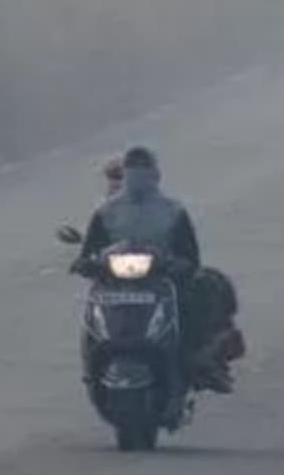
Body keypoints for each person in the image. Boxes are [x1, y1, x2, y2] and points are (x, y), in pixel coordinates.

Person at [77, 146, 240, 393]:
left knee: (202, 294)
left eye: (143, 170)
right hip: (118, 282)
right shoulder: (107, 212)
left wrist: (177, 265)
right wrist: (87, 264)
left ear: (155, 175)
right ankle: (92, 365)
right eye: (133, 171)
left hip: (161, 277)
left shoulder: (172, 211)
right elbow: (89, 251)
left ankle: (202, 361)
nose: (138, 178)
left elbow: (190, 254)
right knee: (94, 310)